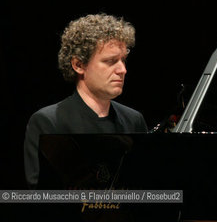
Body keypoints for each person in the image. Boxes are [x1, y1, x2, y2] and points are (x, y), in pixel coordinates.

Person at [24, 13, 148, 189]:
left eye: (123, 60)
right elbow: (42, 195)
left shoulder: (134, 120)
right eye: (110, 61)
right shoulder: (48, 121)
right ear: (79, 65)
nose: (122, 70)